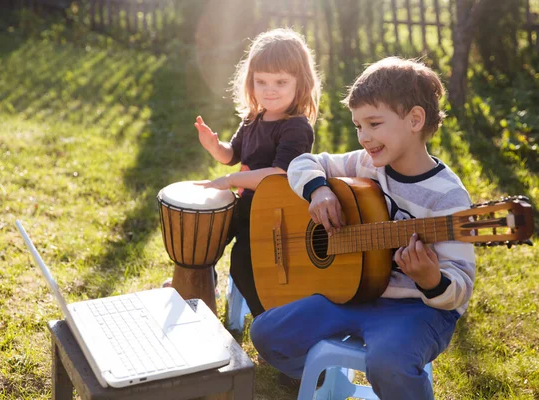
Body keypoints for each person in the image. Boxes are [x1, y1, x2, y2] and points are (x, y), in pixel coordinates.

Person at [250, 57, 476, 399]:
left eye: (373, 123)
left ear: (415, 119)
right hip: (350, 294)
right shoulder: (365, 164)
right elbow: (303, 162)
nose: (364, 137)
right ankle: (327, 381)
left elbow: (461, 285)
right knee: (267, 332)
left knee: (387, 362)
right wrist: (318, 189)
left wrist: (431, 279)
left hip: (415, 308)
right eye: (358, 126)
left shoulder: (448, 197)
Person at [192, 28, 321, 317]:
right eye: (261, 81)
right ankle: (199, 288)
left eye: (280, 82)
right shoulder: (255, 117)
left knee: (243, 264)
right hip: (247, 206)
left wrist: (231, 180)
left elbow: (279, 174)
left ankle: (271, 321)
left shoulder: (296, 127)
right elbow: (233, 155)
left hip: (274, 215)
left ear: (301, 83)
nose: (269, 89)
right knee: (205, 236)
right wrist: (214, 146)